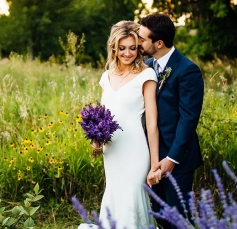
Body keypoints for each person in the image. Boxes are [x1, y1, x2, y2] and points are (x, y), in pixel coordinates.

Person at [79, 20, 161, 229]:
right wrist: (96, 140)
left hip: (135, 150)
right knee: (115, 193)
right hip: (111, 150)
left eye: (133, 48)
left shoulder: (147, 75)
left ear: (139, 48)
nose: (127, 53)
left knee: (133, 196)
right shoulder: (106, 77)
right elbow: (101, 116)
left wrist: (155, 164)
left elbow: (152, 123)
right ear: (114, 48)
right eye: (122, 48)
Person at [138, 13, 205, 229]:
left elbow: (188, 119)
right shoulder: (148, 65)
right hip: (152, 156)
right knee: (160, 215)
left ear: (159, 43)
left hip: (179, 159)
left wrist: (171, 159)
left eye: (142, 39)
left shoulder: (187, 70)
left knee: (179, 219)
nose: (139, 42)